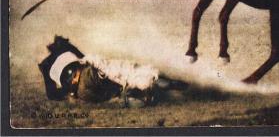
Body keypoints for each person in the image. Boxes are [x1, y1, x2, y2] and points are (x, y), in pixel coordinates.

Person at [38, 35, 186, 105]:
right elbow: (83, 57)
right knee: (128, 74)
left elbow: (52, 95)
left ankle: (133, 96)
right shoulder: (63, 46)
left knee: (117, 93)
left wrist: (70, 92)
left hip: (83, 93)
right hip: (87, 75)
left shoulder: (44, 66)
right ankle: (159, 84)